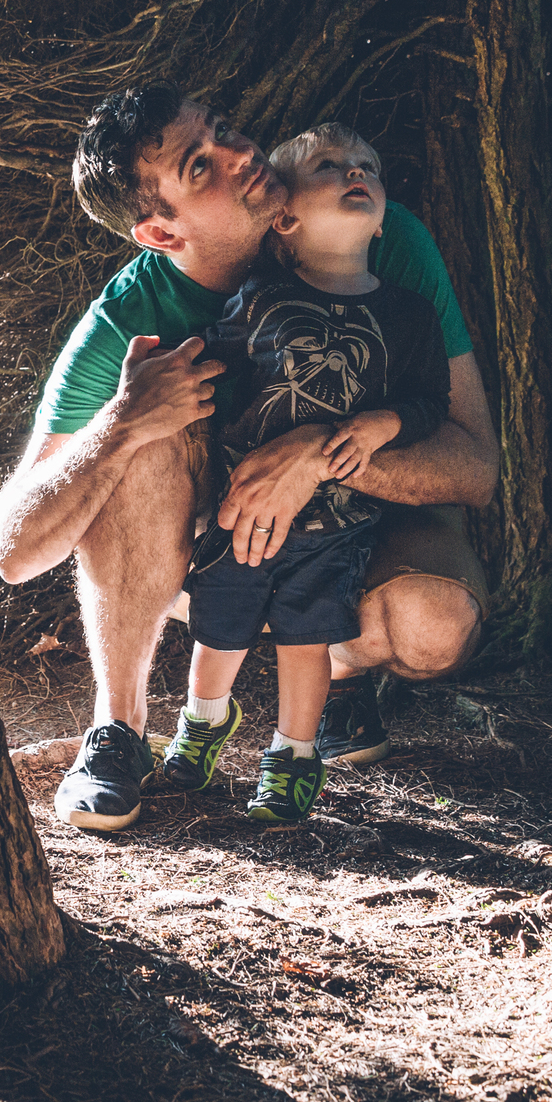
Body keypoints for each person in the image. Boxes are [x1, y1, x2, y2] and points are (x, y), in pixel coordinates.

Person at [0, 84, 499, 831]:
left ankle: (342, 674)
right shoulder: (129, 317)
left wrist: (317, 455)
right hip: (217, 552)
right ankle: (118, 731)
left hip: (356, 535)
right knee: (144, 422)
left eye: (222, 129)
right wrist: (122, 422)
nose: (240, 152)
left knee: (434, 622)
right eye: (201, 166)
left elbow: (477, 465)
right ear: (161, 234)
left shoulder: (372, 233)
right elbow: (13, 548)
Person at [157, 125, 449, 826]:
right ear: (283, 220)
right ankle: (202, 724)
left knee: (305, 638)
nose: (356, 172)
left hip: (337, 523)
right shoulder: (260, 295)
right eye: (329, 166)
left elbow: (429, 401)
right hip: (244, 511)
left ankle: (292, 757)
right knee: (219, 624)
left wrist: (386, 424)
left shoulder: (407, 314)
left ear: (381, 222)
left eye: (368, 166)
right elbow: (217, 372)